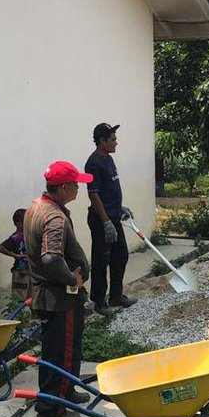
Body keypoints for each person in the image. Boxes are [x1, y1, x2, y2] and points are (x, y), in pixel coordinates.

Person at [24, 160, 92, 417]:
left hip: (53, 296)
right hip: (59, 298)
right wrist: (72, 279)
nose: (78, 189)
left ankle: (67, 391)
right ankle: (52, 410)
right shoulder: (54, 217)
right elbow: (51, 258)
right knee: (60, 352)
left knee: (64, 348)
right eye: (75, 185)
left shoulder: (38, 206)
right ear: (64, 187)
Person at [85, 122, 135, 316]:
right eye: (112, 139)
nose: (116, 142)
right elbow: (93, 194)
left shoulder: (108, 159)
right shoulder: (93, 163)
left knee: (120, 256)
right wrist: (106, 221)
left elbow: (109, 189)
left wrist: (119, 207)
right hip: (101, 221)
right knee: (101, 260)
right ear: (102, 141)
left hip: (113, 217)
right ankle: (99, 302)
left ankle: (116, 296)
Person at [0, 209, 30, 302]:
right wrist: (15, 255)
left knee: (31, 298)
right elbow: (1, 248)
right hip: (20, 272)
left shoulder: (29, 235)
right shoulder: (15, 238)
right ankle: (18, 316)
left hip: (31, 271)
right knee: (19, 297)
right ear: (19, 224)